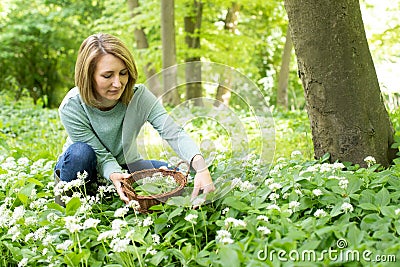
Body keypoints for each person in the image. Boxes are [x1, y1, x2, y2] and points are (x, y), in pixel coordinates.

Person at [55, 33, 215, 204]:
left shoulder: (138, 97)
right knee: (80, 153)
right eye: (107, 76)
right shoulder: (72, 105)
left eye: (123, 73)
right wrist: (116, 175)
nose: (118, 83)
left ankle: (112, 190)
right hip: (83, 166)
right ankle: (71, 201)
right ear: (88, 76)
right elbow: (101, 156)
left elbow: (173, 132)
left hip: (126, 166)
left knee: (178, 172)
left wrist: (201, 166)